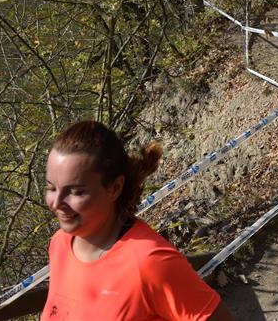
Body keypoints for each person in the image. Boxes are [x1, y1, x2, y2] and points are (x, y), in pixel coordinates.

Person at [42, 121, 234, 321]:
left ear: (114, 188)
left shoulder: (149, 262)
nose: (56, 203)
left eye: (75, 192)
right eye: (51, 188)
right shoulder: (60, 244)